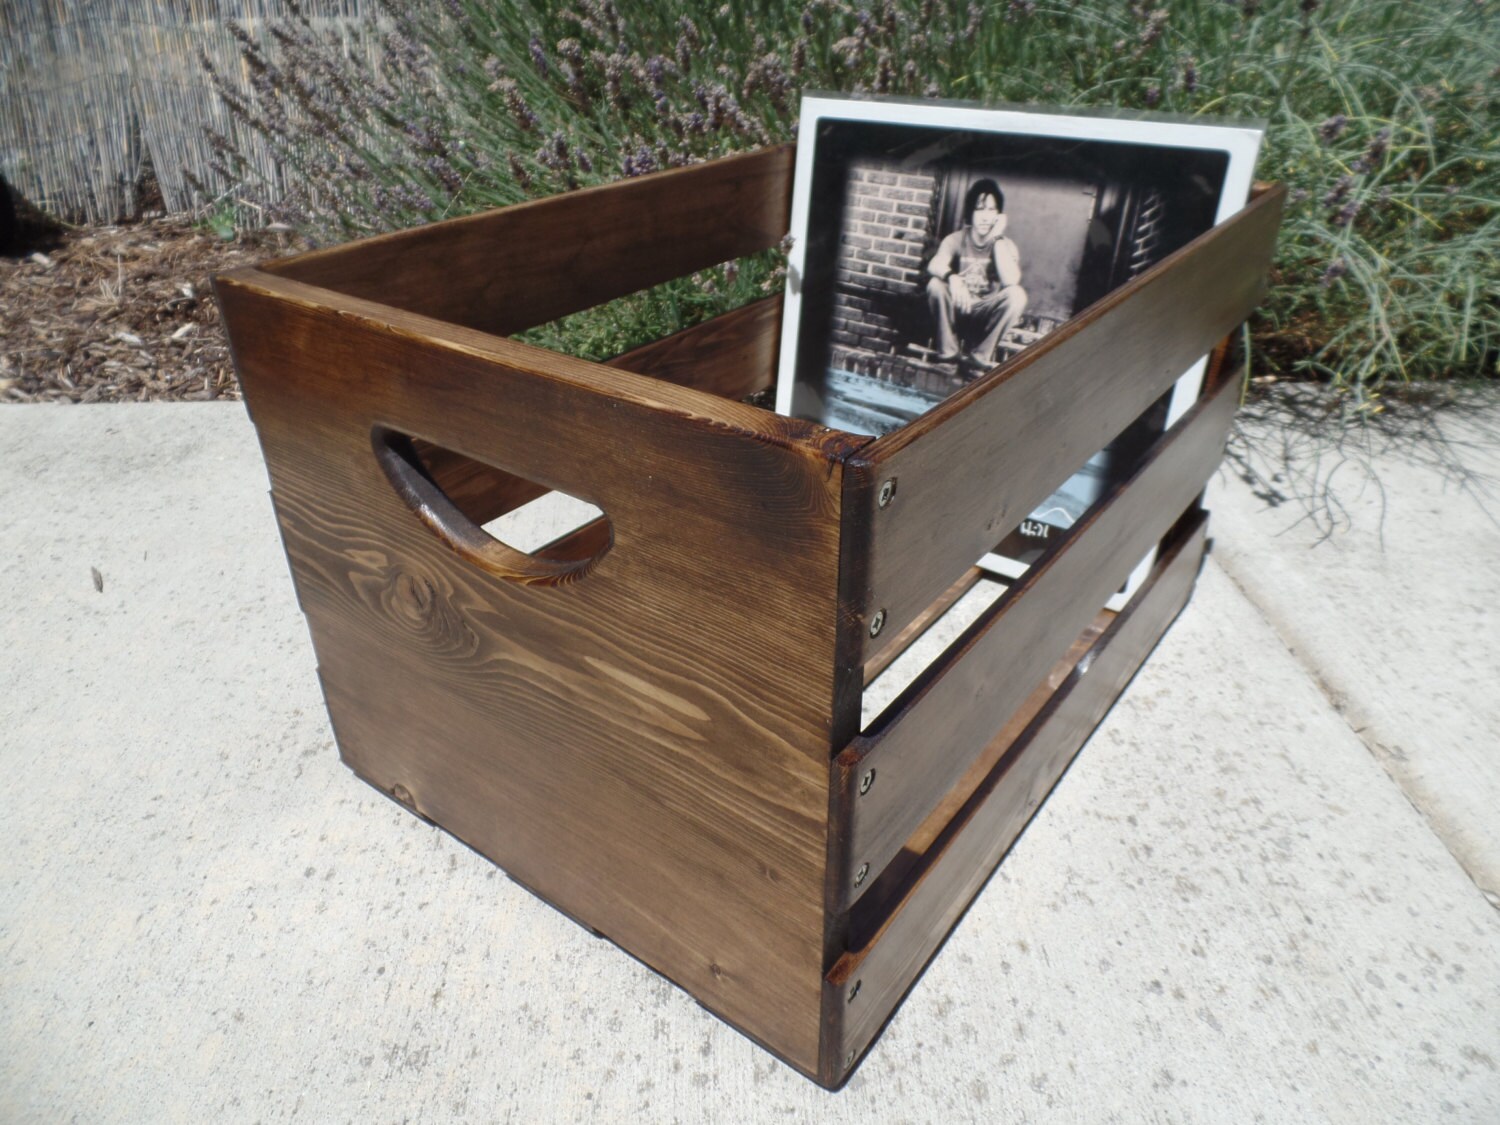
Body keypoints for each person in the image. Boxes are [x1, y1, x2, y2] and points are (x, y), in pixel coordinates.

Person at [925, 177, 1028, 369]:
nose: (985, 216)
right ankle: (948, 355)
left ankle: (979, 360)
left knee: (1017, 295)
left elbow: (1012, 280)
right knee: (935, 285)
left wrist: (996, 237)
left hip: (984, 316)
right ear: (971, 213)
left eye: (991, 209)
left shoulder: (1005, 245)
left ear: (999, 215)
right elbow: (935, 263)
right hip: (958, 309)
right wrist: (952, 277)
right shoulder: (956, 239)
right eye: (979, 209)